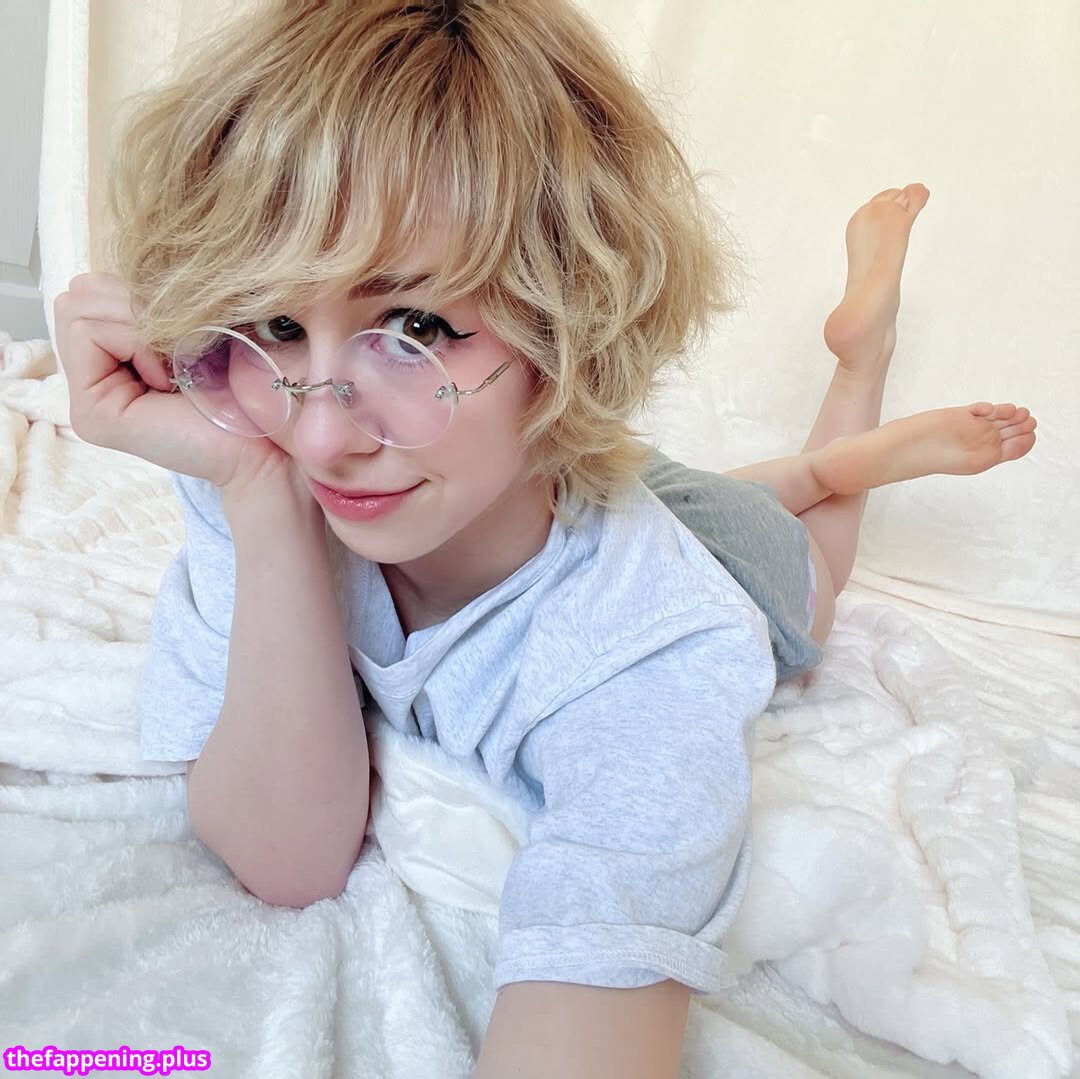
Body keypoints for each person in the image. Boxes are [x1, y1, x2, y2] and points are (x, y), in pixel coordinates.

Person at [52, 2, 1037, 1075]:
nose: (323, 438)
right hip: (558, 480)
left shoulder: (662, 645)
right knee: (652, 480)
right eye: (280, 323)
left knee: (814, 552)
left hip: (718, 546)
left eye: (416, 327)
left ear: (571, 318)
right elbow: (286, 857)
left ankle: (856, 381)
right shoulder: (260, 436)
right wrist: (257, 491)